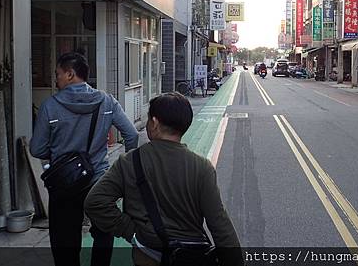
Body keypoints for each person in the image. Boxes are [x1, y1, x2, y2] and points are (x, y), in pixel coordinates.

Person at [84, 92, 243, 266]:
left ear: (155, 123)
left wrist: (131, 232)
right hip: (190, 257)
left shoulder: (130, 162)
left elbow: (95, 202)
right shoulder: (202, 168)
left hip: (147, 256)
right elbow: (220, 226)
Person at [31, 52, 139, 266]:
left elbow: (37, 148)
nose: (56, 79)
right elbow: (132, 135)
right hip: (99, 180)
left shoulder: (50, 105)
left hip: (63, 184)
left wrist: (58, 154)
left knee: (64, 239)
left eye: (58, 74)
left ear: (70, 74)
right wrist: (124, 170)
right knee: (103, 232)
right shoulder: (106, 101)